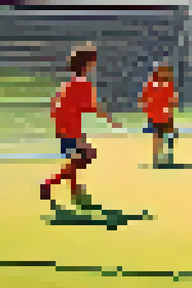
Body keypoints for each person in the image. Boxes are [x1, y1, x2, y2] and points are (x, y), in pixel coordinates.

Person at [40, 46, 121, 207]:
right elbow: (93, 107)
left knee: (75, 159)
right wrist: (111, 121)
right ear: (87, 65)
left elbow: (56, 103)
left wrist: (59, 122)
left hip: (65, 126)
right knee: (86, 155)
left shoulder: (68, 83)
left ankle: (75, 192)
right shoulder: (82, 83)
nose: (94, 66)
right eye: (92, 62)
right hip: (70, 128)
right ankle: (49, 183)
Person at [140, 65, 178, 167]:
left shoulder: (167, 85)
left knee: (168, 136)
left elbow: (172, 101)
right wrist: (148, 111)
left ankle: (167, 156)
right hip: (156, 116)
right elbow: (145, 100)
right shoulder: (151, 85)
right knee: (158, 137)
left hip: (165, 116)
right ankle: (157, 158)